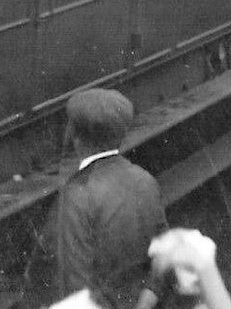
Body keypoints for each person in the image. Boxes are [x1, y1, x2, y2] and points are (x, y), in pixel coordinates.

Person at [38, 89, 167, 308]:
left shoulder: (76, 195)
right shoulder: (144, 180)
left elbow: (74, 286)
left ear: (75, 137)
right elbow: (162, 258)